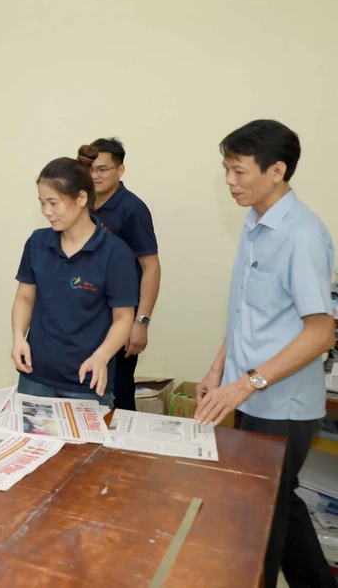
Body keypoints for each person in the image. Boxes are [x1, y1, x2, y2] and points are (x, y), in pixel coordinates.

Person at [195, 120, 335, 588]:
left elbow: (321, 333)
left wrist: (245, 382)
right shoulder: (255, 222)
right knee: (275, 505)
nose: (230, 182)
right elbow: (245, 311)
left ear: (277, 170)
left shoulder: (301, 235)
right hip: (247, 394)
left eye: (238, 171)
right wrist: (219, 370)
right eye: (226, 170)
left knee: (262, 516)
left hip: (282, 403)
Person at [9, 157, 138, 407]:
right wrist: (18, 336)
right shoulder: (37, 243)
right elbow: (25, 297)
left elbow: (123, 318)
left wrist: (101, 357)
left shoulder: (115, 253)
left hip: (87, 381)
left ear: (81, 199)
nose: (47, 211)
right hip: (36, 376)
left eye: (54, 203)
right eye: (42, 203)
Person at [78, 139, 161, 410]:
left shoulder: (132, 209)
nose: (94, 176)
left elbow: (151, 267)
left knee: (118, 394)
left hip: (121, 319)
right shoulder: (81, 204)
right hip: (88, 317)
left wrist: (141, 322)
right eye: (90, 168)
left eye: (103, 169)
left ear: (120, 170)